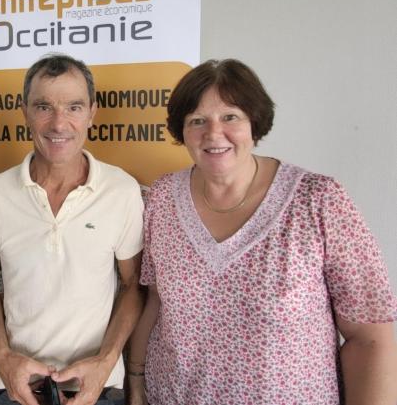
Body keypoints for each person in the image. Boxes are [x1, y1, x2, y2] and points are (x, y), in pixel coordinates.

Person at [127, 59, 397, 405]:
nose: (213, 133)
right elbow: (156, 301)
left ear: (255, 122)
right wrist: (136, 380)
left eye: (230, 117)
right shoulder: (163, 197)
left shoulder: (319, 200)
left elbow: (370, 338)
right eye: (197, 121)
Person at [0, 54, 144, 405]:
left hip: (97, 388)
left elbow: (132, 287)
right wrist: (2, 358)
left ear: (92, 112)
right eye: (44, 107)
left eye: (74, 107)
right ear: (25, 112)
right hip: (16, 388)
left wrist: (105, 362)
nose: (59, 123)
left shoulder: (122, 190)